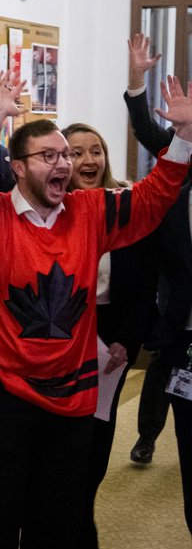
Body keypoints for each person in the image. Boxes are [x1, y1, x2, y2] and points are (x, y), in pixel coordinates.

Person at [0, 70, 192, 549]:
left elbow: (156, 198)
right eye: (48, 155)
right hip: (2, 385)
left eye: (66, 154)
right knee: (2, 510)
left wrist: (181, 137)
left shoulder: (89, 211)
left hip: (75, 391)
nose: (63, 164)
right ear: (19, 165)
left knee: (59, 511)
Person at [60, 122, 157, 549]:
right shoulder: (48, 211)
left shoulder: (123, 209)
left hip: (110, 347)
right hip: (58, 341)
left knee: (90, 456)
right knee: (54, 460)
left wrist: (125, 342)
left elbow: (142, 286)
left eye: (95, 150)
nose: (88, 160)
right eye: (76, 152)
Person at [122, 30, 175, 465]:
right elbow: (144, 127)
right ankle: (147, 437)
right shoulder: (181, 152)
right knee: (164, 363)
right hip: (177, 282)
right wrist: (137, 80)